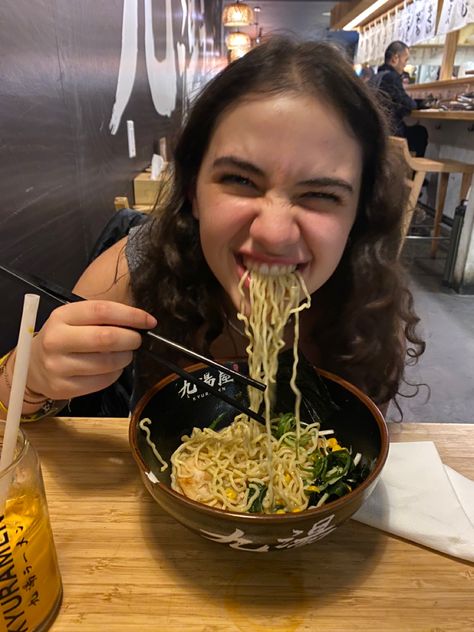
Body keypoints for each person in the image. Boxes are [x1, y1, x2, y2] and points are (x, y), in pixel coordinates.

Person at [0, 36, 425, 423]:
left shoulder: (367, 309)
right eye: (240, 181)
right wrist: (34, 376)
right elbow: (11, 420)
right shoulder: (132, 276)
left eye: (322, 195)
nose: (275, 233)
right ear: (193, 191)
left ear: (359, 213)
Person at [372, 41, 428, 157]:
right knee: (420, 132)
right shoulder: (391, 77)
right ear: (395, 58)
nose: (405, 65)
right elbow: (407, 105)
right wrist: (420, 103)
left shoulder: (376, 78)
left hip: (377, 132)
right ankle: (415, 174)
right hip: (391, 133)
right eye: (405, 60)